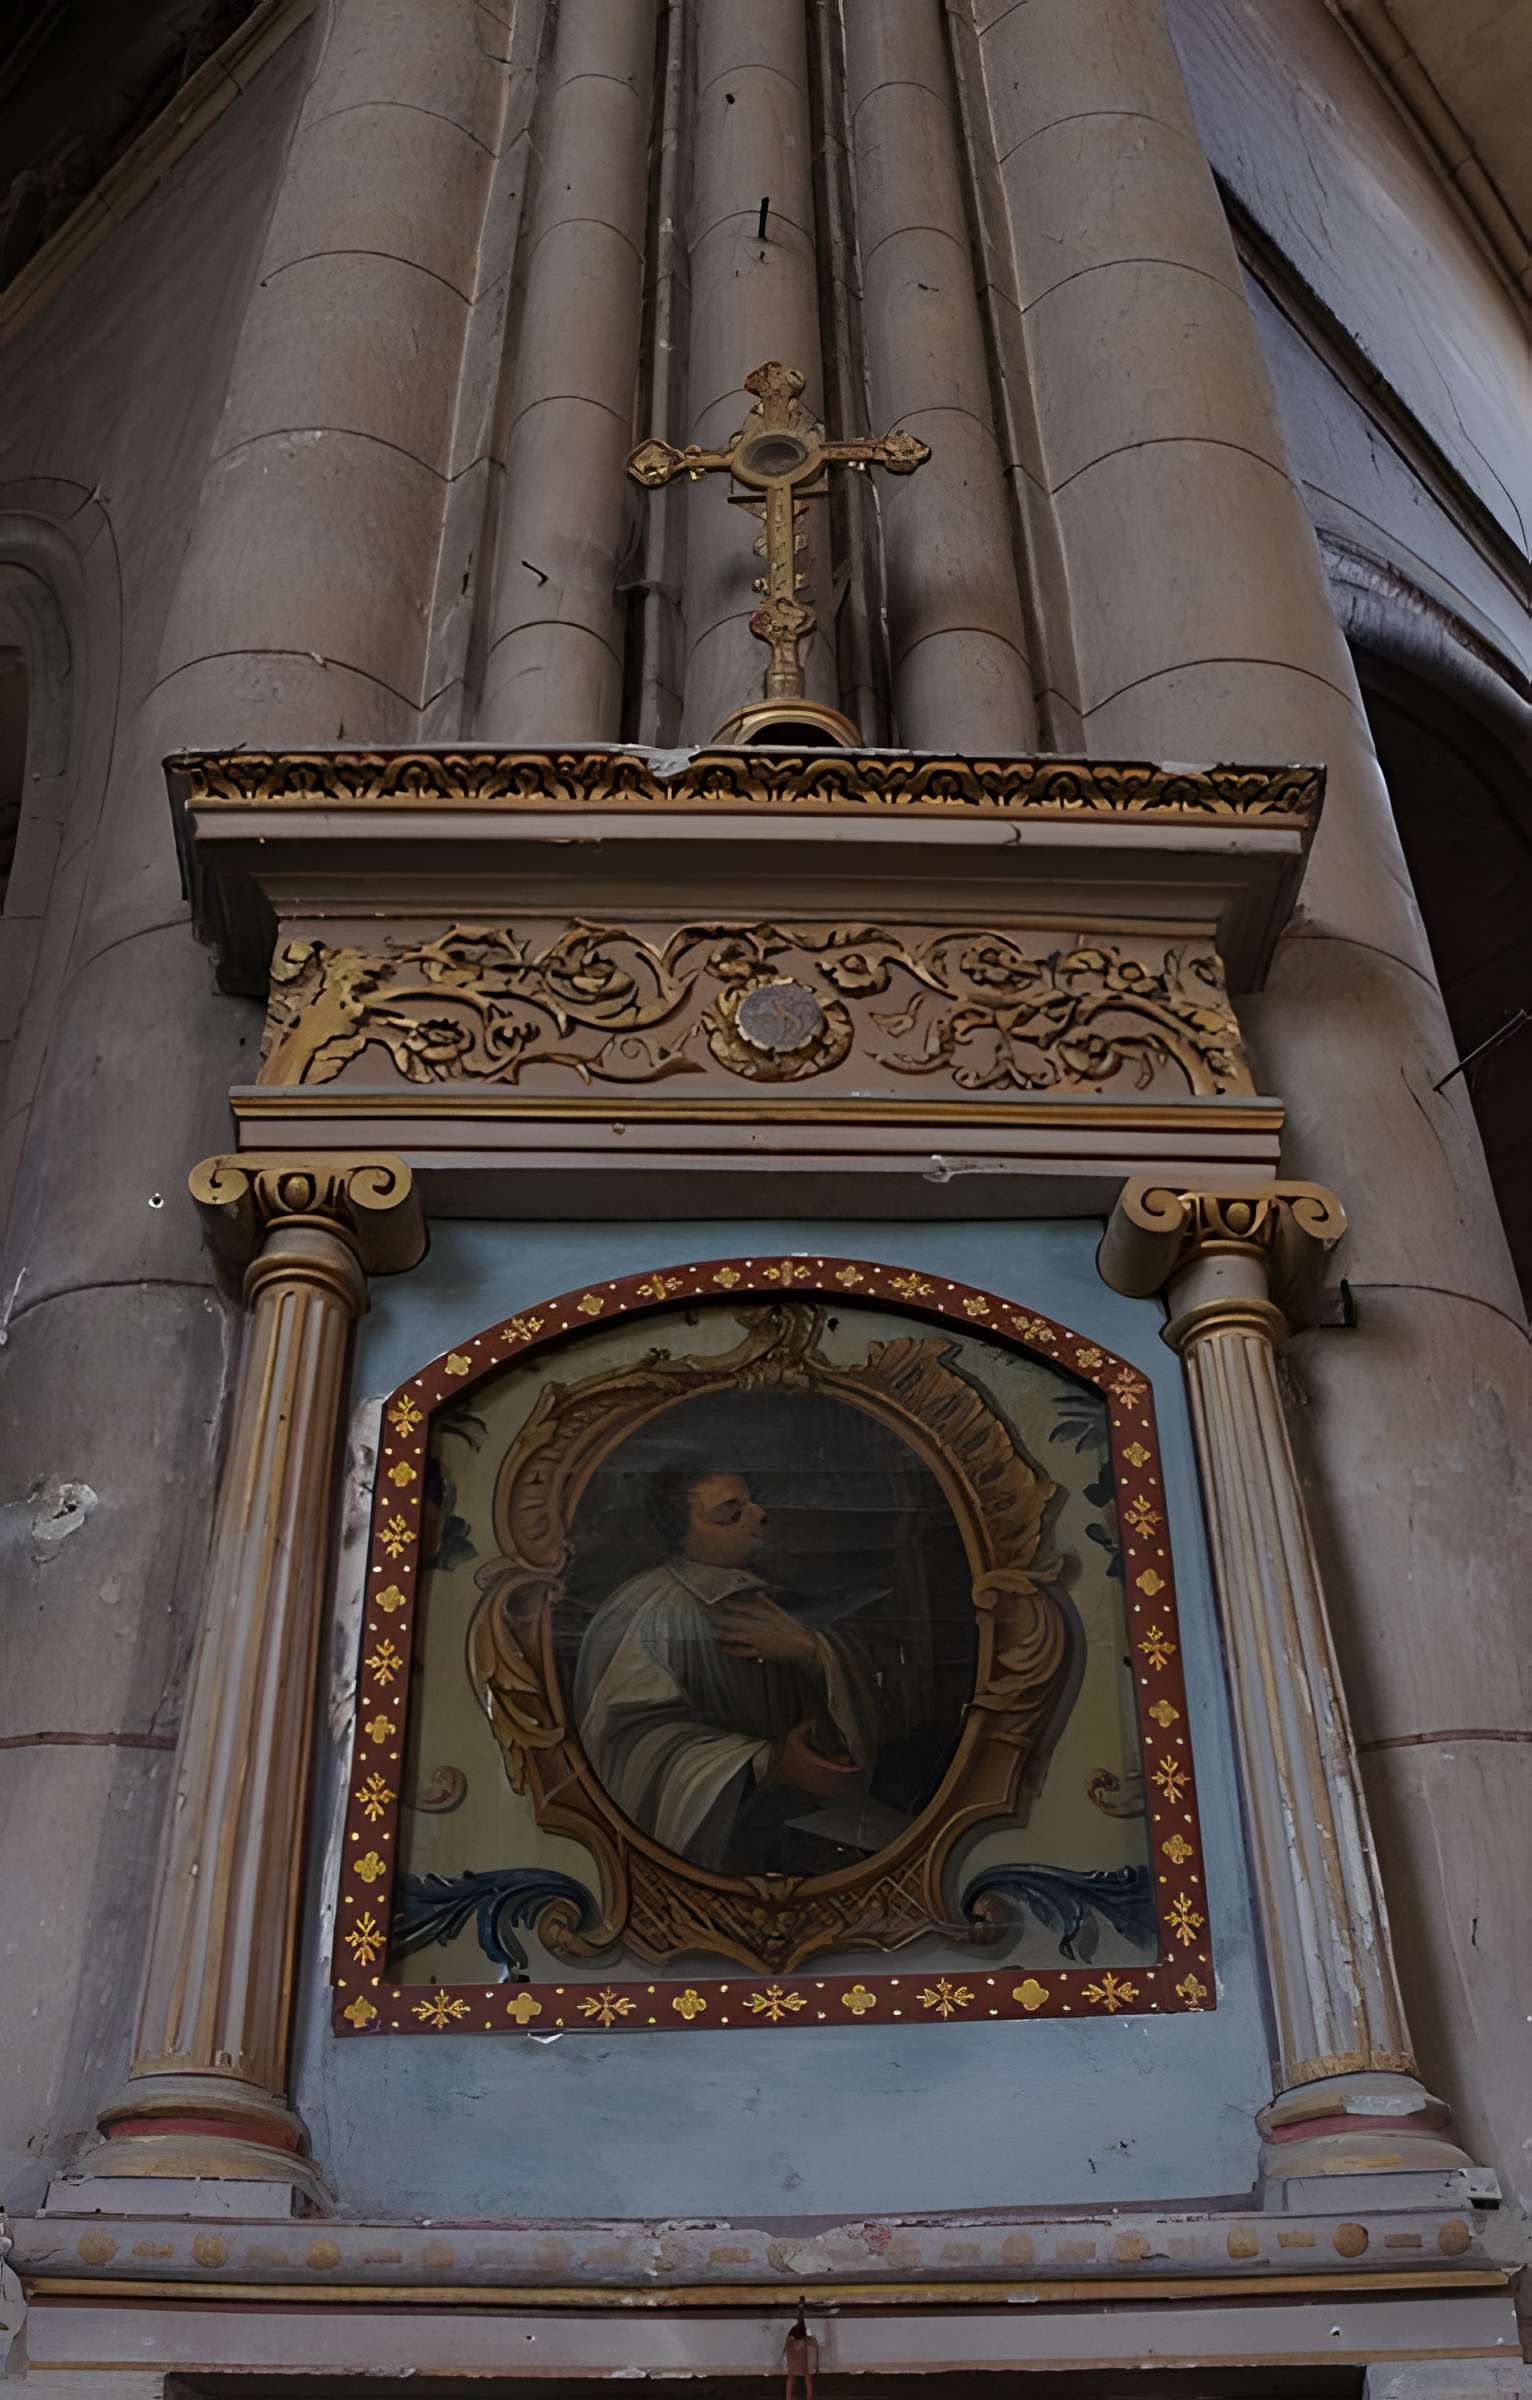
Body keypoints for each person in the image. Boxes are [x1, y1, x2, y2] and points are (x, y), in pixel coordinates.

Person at [573, 1469, 883, 1873]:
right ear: (680, 1534)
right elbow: (629, 1742)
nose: (760, 1514)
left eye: (753, 1503)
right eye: (729, 1514)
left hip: (815, 1828)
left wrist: (812, 1651)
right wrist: (770, 1763)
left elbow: (884, 1679)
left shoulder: (774, 1593)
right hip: (717, 1839)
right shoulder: (649, 1610)